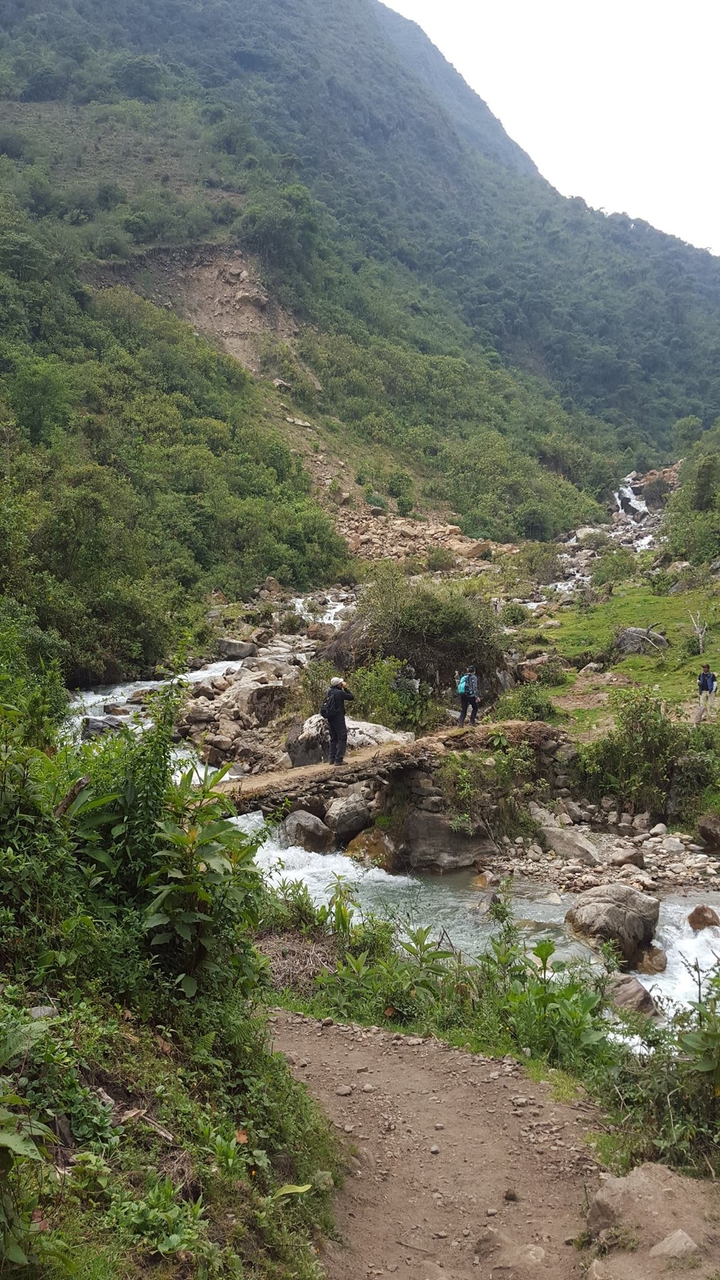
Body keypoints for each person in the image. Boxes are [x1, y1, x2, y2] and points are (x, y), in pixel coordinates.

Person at [321, 676, 354, 764]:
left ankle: (332, 759)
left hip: (330, 717)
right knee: (342, 737)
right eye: (341, 683)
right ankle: (339, 759)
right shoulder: (340, 693)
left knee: (333, 738)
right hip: (338, 718)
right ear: (339, 684)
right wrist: (345, 688)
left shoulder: (329, 692)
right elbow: (351, 697)